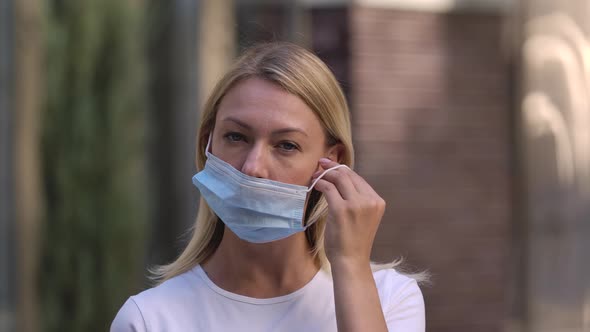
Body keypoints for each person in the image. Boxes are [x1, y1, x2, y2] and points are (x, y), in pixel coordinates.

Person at [111, 42, 425, 332]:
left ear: (332, 161)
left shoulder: (390, 300)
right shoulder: (149, 319)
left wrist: (351, 263)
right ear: (208, 143)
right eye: (236, 137)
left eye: (286, 145)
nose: (253, 167)